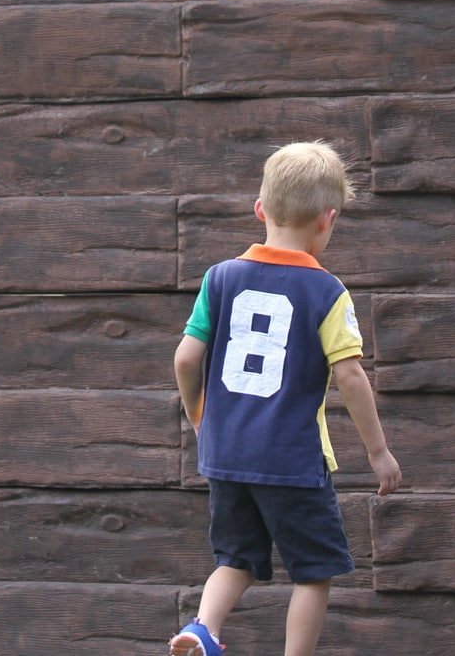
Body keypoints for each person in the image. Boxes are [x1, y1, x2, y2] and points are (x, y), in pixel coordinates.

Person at [170, 141, 402, 656]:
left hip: (226, 454)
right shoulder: (327, 292)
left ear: (260, 210)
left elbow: (186, 359)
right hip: (293, 460)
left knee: (234, 560)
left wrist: (200, 416)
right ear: (328, 219)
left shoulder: (220, 278)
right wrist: (378, 452)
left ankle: (204, 627)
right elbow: (350, 378)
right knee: (313, 574)